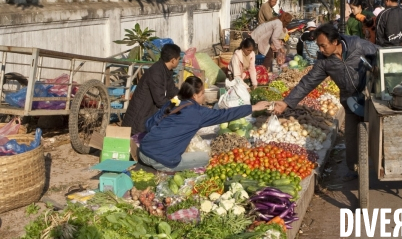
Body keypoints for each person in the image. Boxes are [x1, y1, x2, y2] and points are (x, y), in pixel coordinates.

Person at [271, 24, 378, 180]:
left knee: (378, 130)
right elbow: (308, 82)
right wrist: (286, 102)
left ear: (335, 41)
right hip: (350, 99)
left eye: (323, 45)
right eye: (318, 46)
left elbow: (380, 53)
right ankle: (353, 168)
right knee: (351, 136)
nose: (320, 50)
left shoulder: (357, 45)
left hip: (370, 95)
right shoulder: (324, 61)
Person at [139, 76, 270, 171]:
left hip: (143, 152)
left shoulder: (173, 102)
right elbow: (225, 115)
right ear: (195, 96)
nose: (204, 97)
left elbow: (149, 125)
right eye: (202, 93)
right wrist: (253, 107)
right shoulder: (197, 112)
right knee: (207, 157)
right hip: (162, 161)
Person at [122, 44, 181, 135]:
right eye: (178, 59)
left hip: (148, 115)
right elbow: (160, 100)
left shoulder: (166, 71)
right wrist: (178, 107)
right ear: (173, 60)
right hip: (139, 119)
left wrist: (186, 96)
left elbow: (171, 90)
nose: (179, 61)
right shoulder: (156, 72)